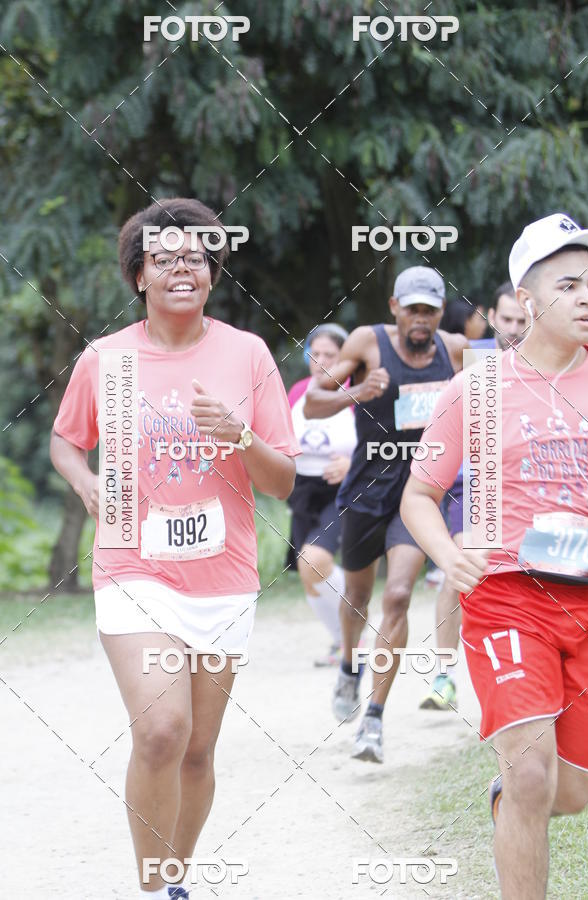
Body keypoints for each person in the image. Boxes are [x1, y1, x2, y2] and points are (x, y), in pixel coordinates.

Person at [50, 198, 299, 900]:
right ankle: (154, 890)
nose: (180, 268)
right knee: (162, 730)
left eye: (195, 257)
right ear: (139, 277)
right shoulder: (109, 360)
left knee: (196, 750)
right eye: (163, 258)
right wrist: (85, 481)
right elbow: (66, 439)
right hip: (133, 566)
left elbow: (282, 477)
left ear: (213, 276)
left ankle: (173, 879)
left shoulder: (246, 355)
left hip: (222, 576)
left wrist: (239, 437)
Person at [401, 213, 588, 899]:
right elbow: (420, 494)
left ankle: (509, 801)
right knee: (531, 776)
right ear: (528, 297)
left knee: (568, 793)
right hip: (509, 595)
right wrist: (447, 552)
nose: (587, 299)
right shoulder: (477, 389)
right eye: (568, 285)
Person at [304, 266, 467, 762]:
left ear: (440, 312)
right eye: (412, 309)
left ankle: (373, 720)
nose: (421, 319)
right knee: (357, 595)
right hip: (367, 489)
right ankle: (350, 666)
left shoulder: (456, 350)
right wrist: (357, 392)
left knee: (397, 596)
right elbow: (312, 404)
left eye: (430, 310)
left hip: (419, 492)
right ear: (394, 307)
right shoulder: (366, 343)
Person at [419, 280, 527, 710]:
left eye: (523, 320)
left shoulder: (547, 367)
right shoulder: (472, 361)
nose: (515, 329)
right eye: (507, 320)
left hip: (530, 489)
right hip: (475, 485)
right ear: (492, 319)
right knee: (460, 568)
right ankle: (444, 675)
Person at [287, 324, 357, 666]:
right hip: (302, 492)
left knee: (315, 560)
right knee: (308, 571)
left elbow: (381, 443)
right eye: (316, 354)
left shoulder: (356, 393)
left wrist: (351, 463)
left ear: (344, 358)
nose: (322, 361)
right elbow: (279, 436)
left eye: (331, 355)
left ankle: (357, 625)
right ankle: (343, 643)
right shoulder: (298, 391)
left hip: (341, 492)